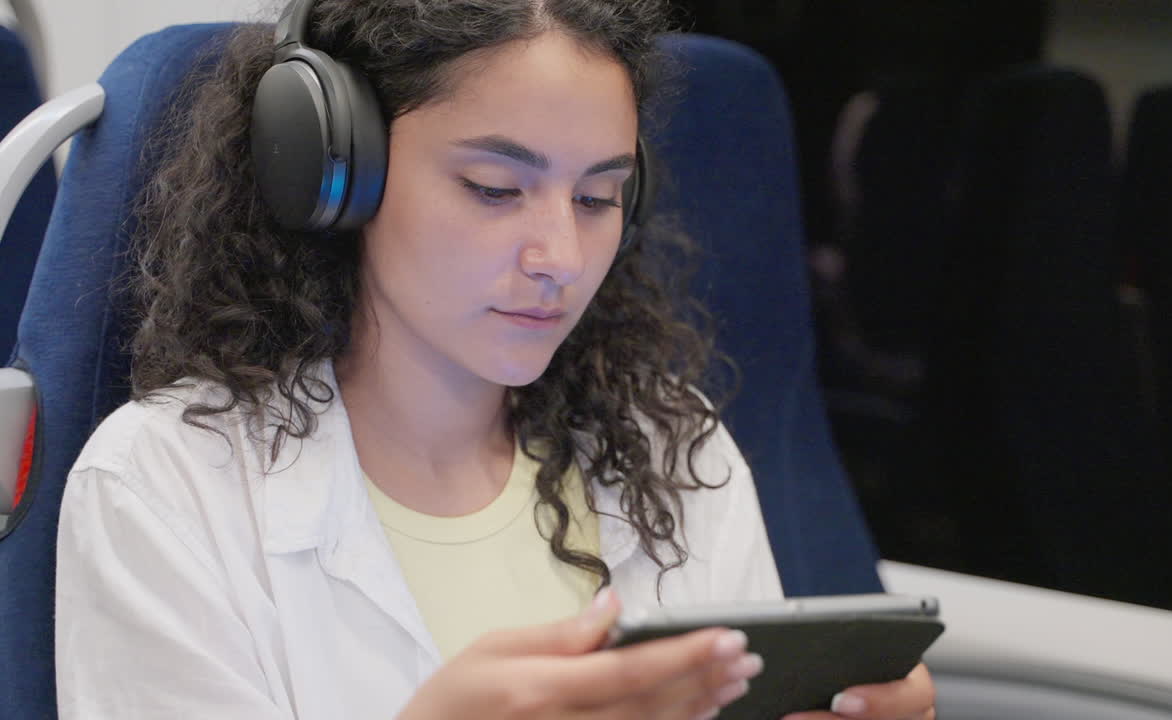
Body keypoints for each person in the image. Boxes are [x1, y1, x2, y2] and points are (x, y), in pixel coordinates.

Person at [53, 1, 938, 718]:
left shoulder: (671, 447)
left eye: (598, 197)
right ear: (331, 170)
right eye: (495, 189)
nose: (560, 252)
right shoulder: (166, 487)